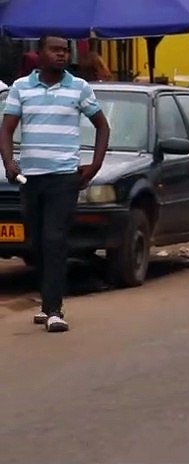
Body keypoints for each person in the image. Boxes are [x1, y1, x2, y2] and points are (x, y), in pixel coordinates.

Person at [0, 35, 109, 332]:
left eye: (65, 50)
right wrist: (9, 162)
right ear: (40, 53)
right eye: (55, 50)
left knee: (54, 239)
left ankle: (54, 310)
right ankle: (46, 303)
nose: (62, 55)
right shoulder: (21, 87)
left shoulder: (79, 87)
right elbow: (6, 129)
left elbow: (102, 126)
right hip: (31, 178)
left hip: (64, 177)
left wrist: (95, 165)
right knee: (37, 243)